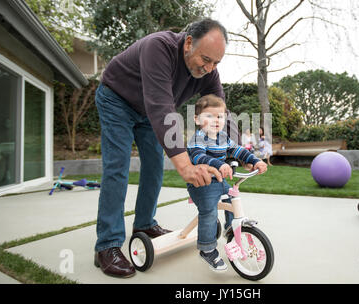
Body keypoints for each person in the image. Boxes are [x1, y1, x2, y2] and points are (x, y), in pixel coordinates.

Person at [94, 19, 240, 278]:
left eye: (216, 63)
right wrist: (185, 164)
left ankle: (145, 225)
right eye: (205, 59)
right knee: (118, 167)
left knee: (154, 167)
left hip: (149, 112)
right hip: (117, 99)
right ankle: (107, 245)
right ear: (188, 43)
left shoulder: (209, 73)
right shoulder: (157, 47)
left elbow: (222, 113)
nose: (209, 68)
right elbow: (161, 107)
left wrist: (236, 152)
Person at [187, 94, 267, 272]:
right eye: (209, 116)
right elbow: (199, 156)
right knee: (209, 211)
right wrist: (219, 164)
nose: (216, 121)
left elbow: (238, 150)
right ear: (197, 119)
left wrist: (255, 161)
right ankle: (207, 249)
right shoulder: (198, 138)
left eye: (220, 117)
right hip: (202, 184)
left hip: (220, 180)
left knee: (232, 197)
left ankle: (231, 228)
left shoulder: (223, 137)